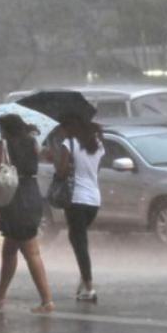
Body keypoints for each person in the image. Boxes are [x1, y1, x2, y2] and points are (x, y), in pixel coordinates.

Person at [0, 114, 54, 313]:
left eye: (1, 128)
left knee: (31, 252)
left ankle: (47, 300)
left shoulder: (2, 145)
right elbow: (43, 159)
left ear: (6, 130)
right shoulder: (33, 143)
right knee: (9, 250)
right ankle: (0, 295)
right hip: (32, 194)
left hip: (13, 199)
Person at [55, 113, 104, 302]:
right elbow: (94, 169)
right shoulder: (97, 144)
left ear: (70, 127)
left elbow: (61, 172)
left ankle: (89, 286)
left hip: (76, 199)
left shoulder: (69, 143)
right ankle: (84, 280)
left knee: (80, 243)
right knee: (78, 240)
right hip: (93, 200)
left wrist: (58, 160)